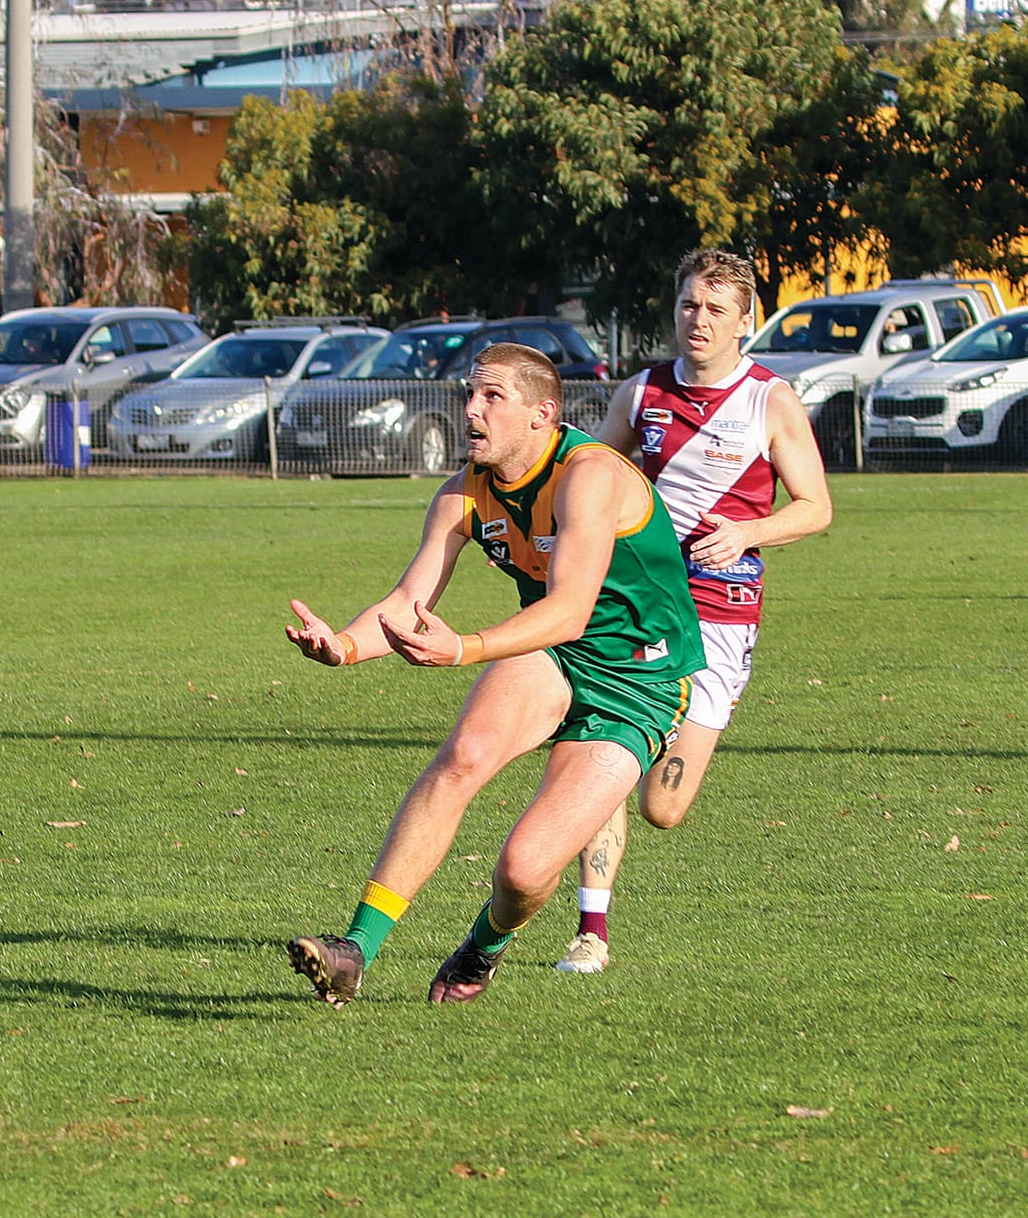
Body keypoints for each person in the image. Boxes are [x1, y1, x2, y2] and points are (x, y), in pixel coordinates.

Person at [284, 342, 706, 1006]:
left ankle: (484, 946)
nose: (471, 410)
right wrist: (341, 644)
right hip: (557, 654)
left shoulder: (588, 474)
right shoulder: (463, 492)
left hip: (640, 682)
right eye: (470, 394)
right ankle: (353, 950)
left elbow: (569, 609)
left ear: (542, 414)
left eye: (491, 396)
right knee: (463, 756)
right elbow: (405, 605)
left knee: (522, 869)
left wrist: (465, 648)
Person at [554, 249, 833, 975]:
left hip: (723, 616)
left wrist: (748, 530)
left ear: (746, 320)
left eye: (714, 309)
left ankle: (667, 732)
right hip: (640, 606)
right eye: (688, 305)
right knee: (606, 759)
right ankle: (591, 931)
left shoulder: (770, 399)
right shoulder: (641, 393)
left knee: (664, 807)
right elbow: (586, 474)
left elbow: (817, 507)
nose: (697, 320)